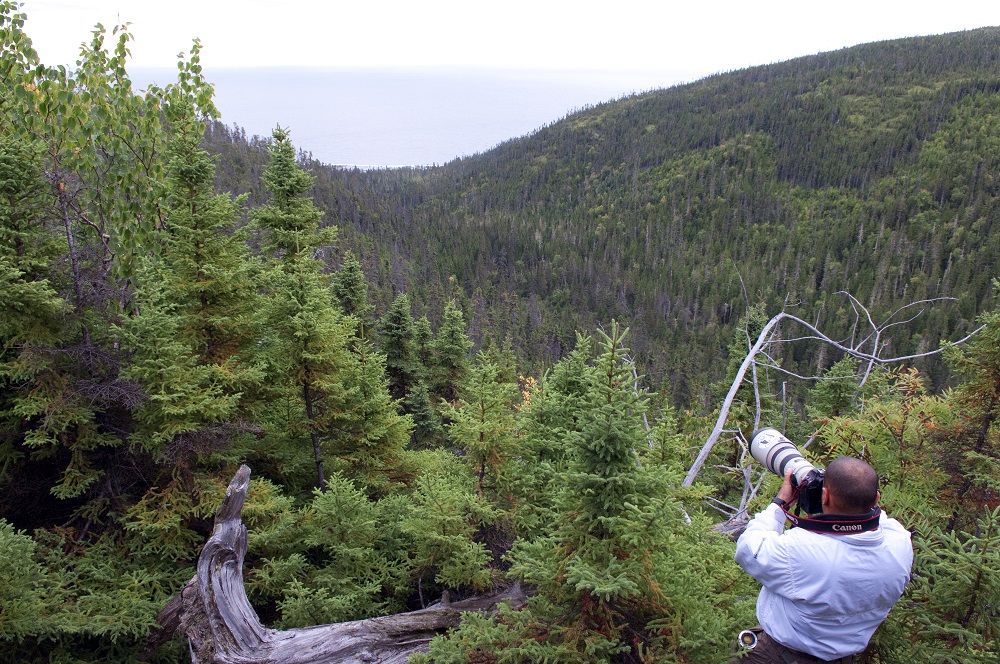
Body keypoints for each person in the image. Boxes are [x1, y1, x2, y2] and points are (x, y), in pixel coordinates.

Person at [734, 457, 913, 663]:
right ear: (876, 498)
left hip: (778, 655)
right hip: (842, 659)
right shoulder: (900, 543)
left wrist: (781, 503)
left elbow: (749, 548)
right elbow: (878, 517)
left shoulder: (801, 549)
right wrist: (849, 494)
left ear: (824, 496)